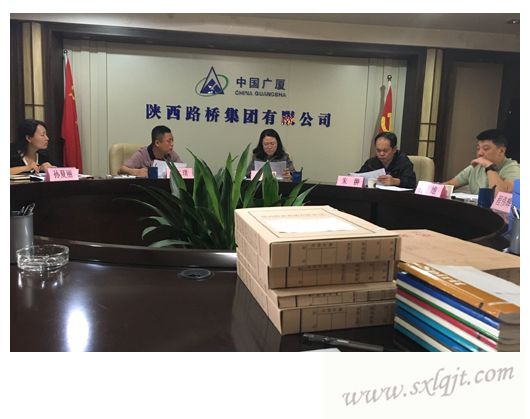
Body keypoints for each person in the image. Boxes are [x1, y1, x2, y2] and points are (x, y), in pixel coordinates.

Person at [445, 129, 519, 194]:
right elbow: (450, 184)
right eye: (478, 148)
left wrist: (489, 167)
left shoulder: (513, 168)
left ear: (501, 151)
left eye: (486, 148)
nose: (479, 153)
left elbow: (500, 196)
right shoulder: (476, 166)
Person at [119, 125, 183, 177]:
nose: (172, 144)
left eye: (172, 141)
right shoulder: (142, 154)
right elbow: (121, 169)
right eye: (169, 141)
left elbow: (183, 171)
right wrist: (136, 172)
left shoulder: (171, 154)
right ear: (157, 143)